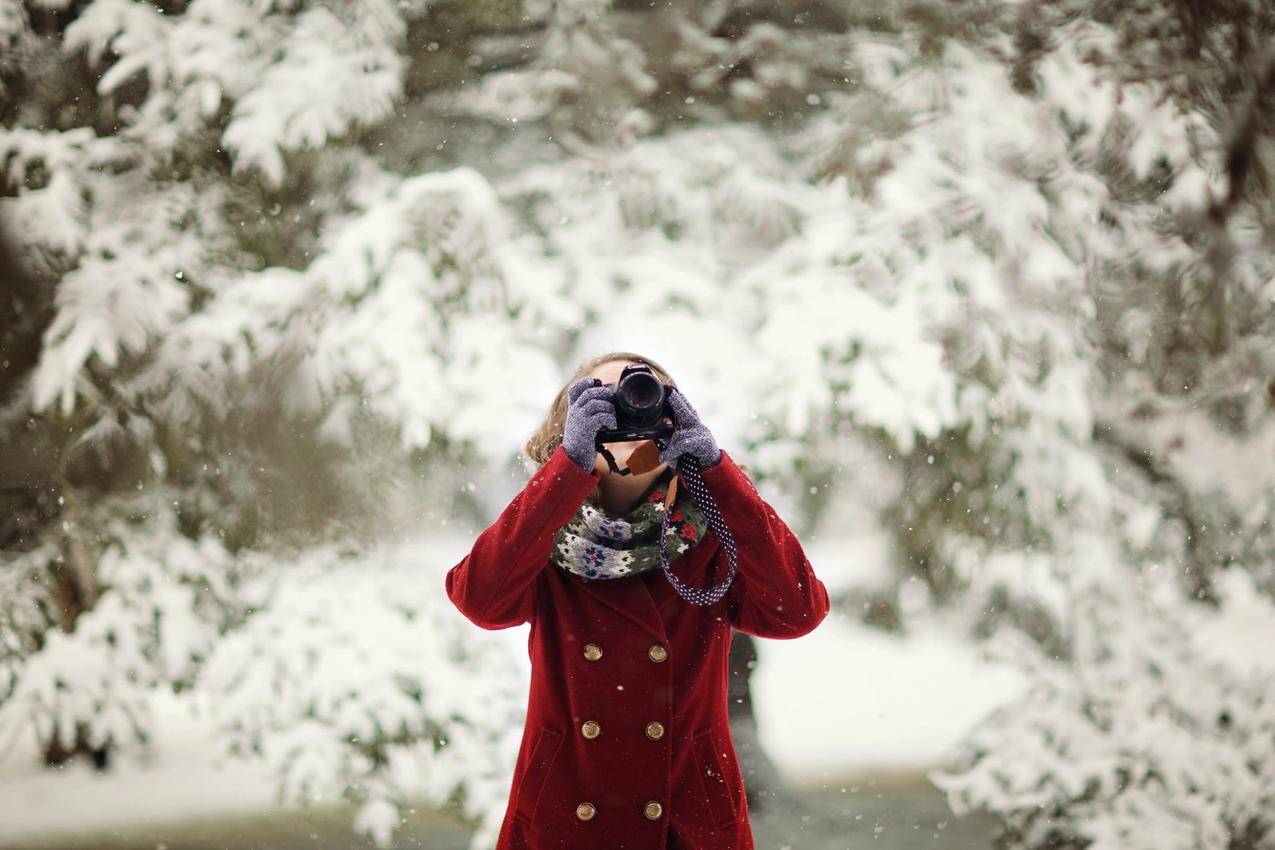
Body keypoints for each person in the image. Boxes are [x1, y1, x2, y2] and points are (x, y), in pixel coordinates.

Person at [444, 351, 830, 850]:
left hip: (687, 821)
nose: (623, 409)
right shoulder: (539, 531)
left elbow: (798, 611)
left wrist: (715, 469)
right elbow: (480, 600)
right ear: (567, 426)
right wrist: (569, 470)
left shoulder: (712, 532)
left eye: (641, 393)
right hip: (566, 818)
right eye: (599, 400)